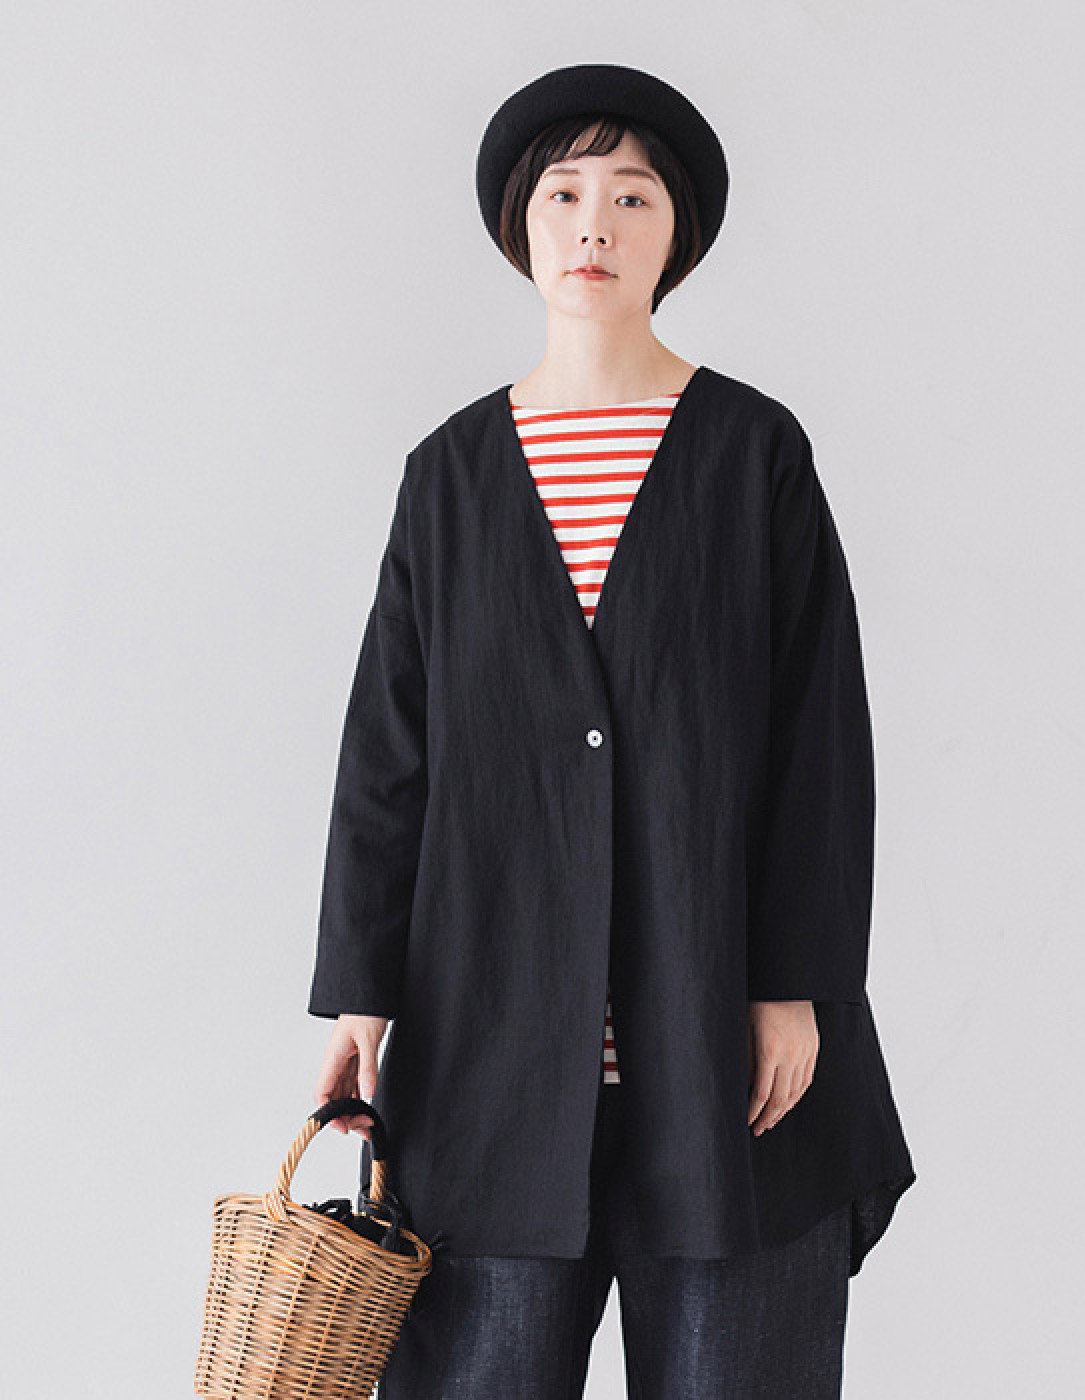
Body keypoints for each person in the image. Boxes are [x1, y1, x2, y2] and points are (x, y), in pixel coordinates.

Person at [308, 62, 916, 1398]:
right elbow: (390, 752)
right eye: (565, 195)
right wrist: (359, 989)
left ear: (675, 232)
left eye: (632, 197)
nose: (595, 225)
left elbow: (821, 743)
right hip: (491, 1058)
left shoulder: (753, 455)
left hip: (723, 1061)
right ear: (522, 225)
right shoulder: (449, 479)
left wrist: (794, 982)